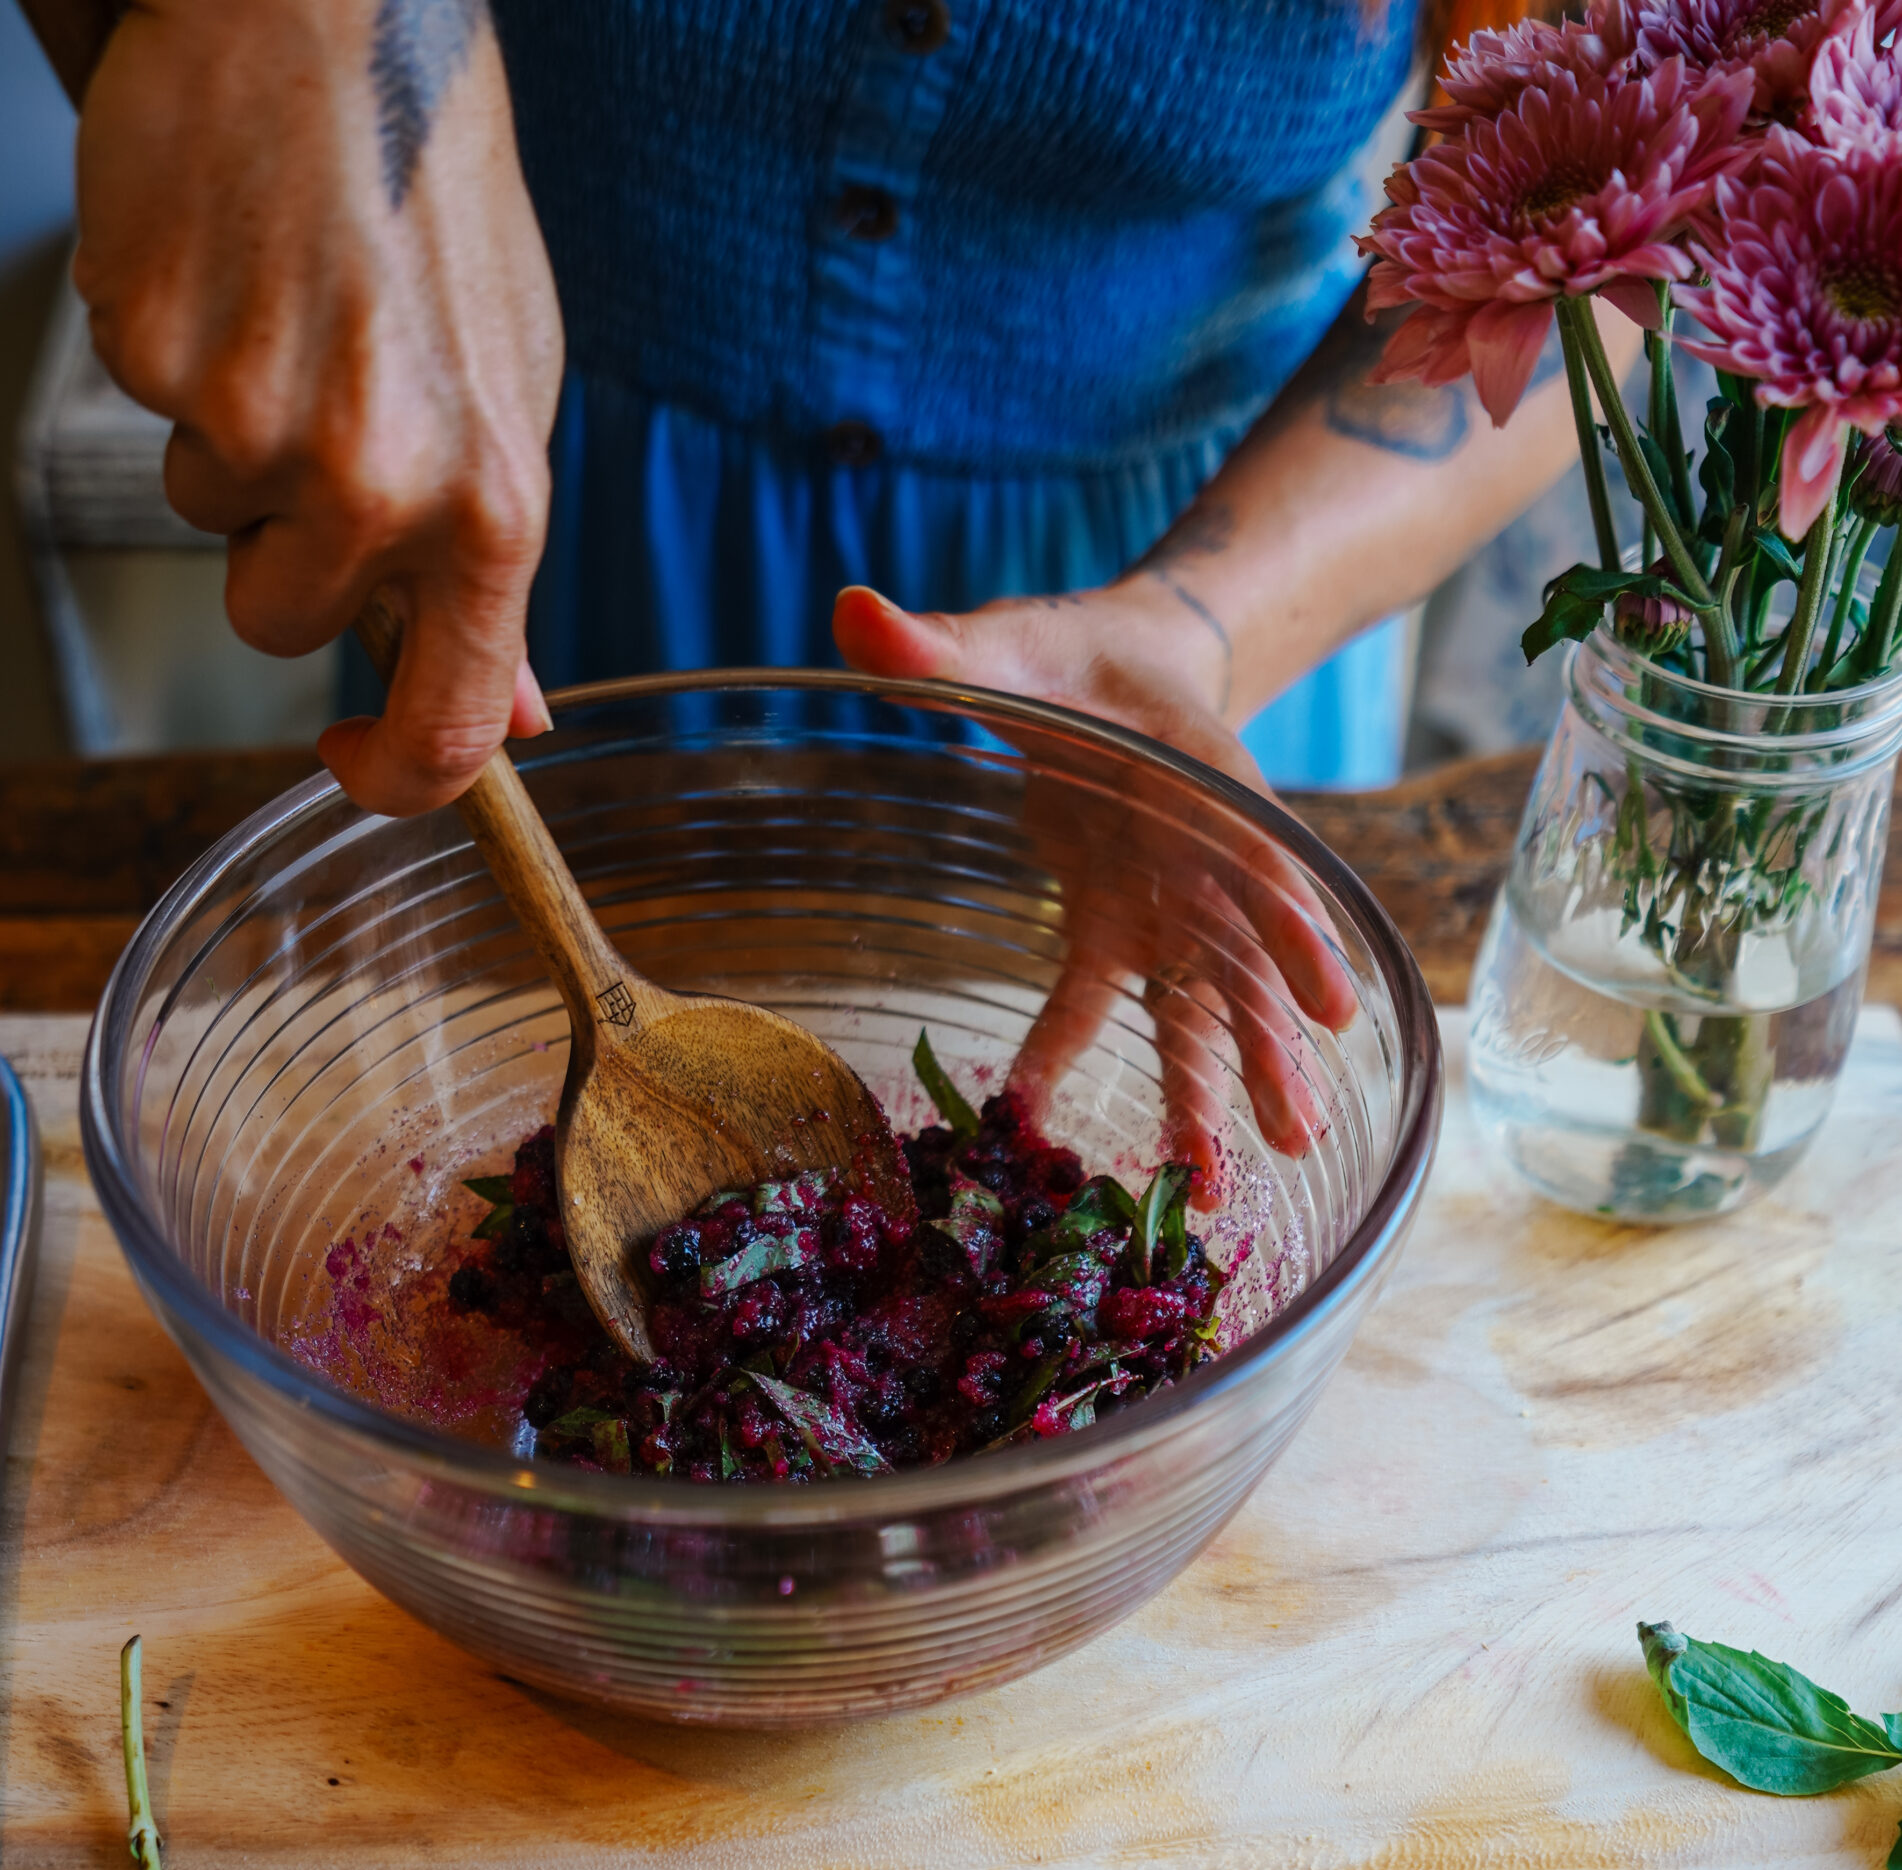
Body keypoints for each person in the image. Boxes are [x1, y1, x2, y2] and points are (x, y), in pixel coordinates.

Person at [58, 0, 1615, 1142]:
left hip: (1178, 627)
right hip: (541, 539)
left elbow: (1613, 240)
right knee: (458, 1098)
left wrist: (1197, 625)